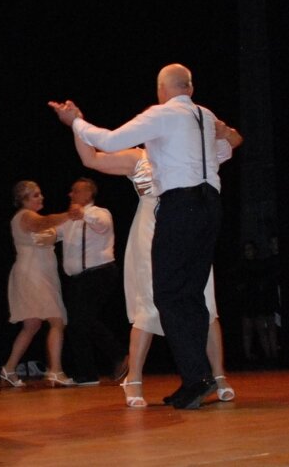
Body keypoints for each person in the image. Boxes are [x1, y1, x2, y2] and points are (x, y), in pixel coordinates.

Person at [50, 63, 238, 409]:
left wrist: (74, 121)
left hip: (180, 208)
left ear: (161, 89)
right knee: (191, 295)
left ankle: (197, 379)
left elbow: (107, 139)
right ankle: (198, 377)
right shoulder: (205, 117)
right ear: (191, 89)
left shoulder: (162, 114)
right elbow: (228, 148)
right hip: (210, 206)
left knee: (168, 296)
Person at [1, 181, 81, 388]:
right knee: (56, 320)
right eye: (35, 195)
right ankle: (55, 370)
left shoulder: (37, 218)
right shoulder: (25, 216)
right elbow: (42, 223)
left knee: (32, 325)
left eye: (40, 193)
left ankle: (9, 369)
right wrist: (68, 215)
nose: (41, 197)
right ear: (24, 199)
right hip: (32, 273)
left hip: (42, 273)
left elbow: (51, 228)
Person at [55, 178, 126, 386]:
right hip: (80, 279)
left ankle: (118, 354)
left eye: (75, 191)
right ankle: (87, 374)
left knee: (81, 319)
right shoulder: (69, 220)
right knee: (78, 323)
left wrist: (83, 213)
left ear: (88, 194)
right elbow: (54, 234)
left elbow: (102, 226)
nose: (70, 194)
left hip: (99, 274)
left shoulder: (99, 213)